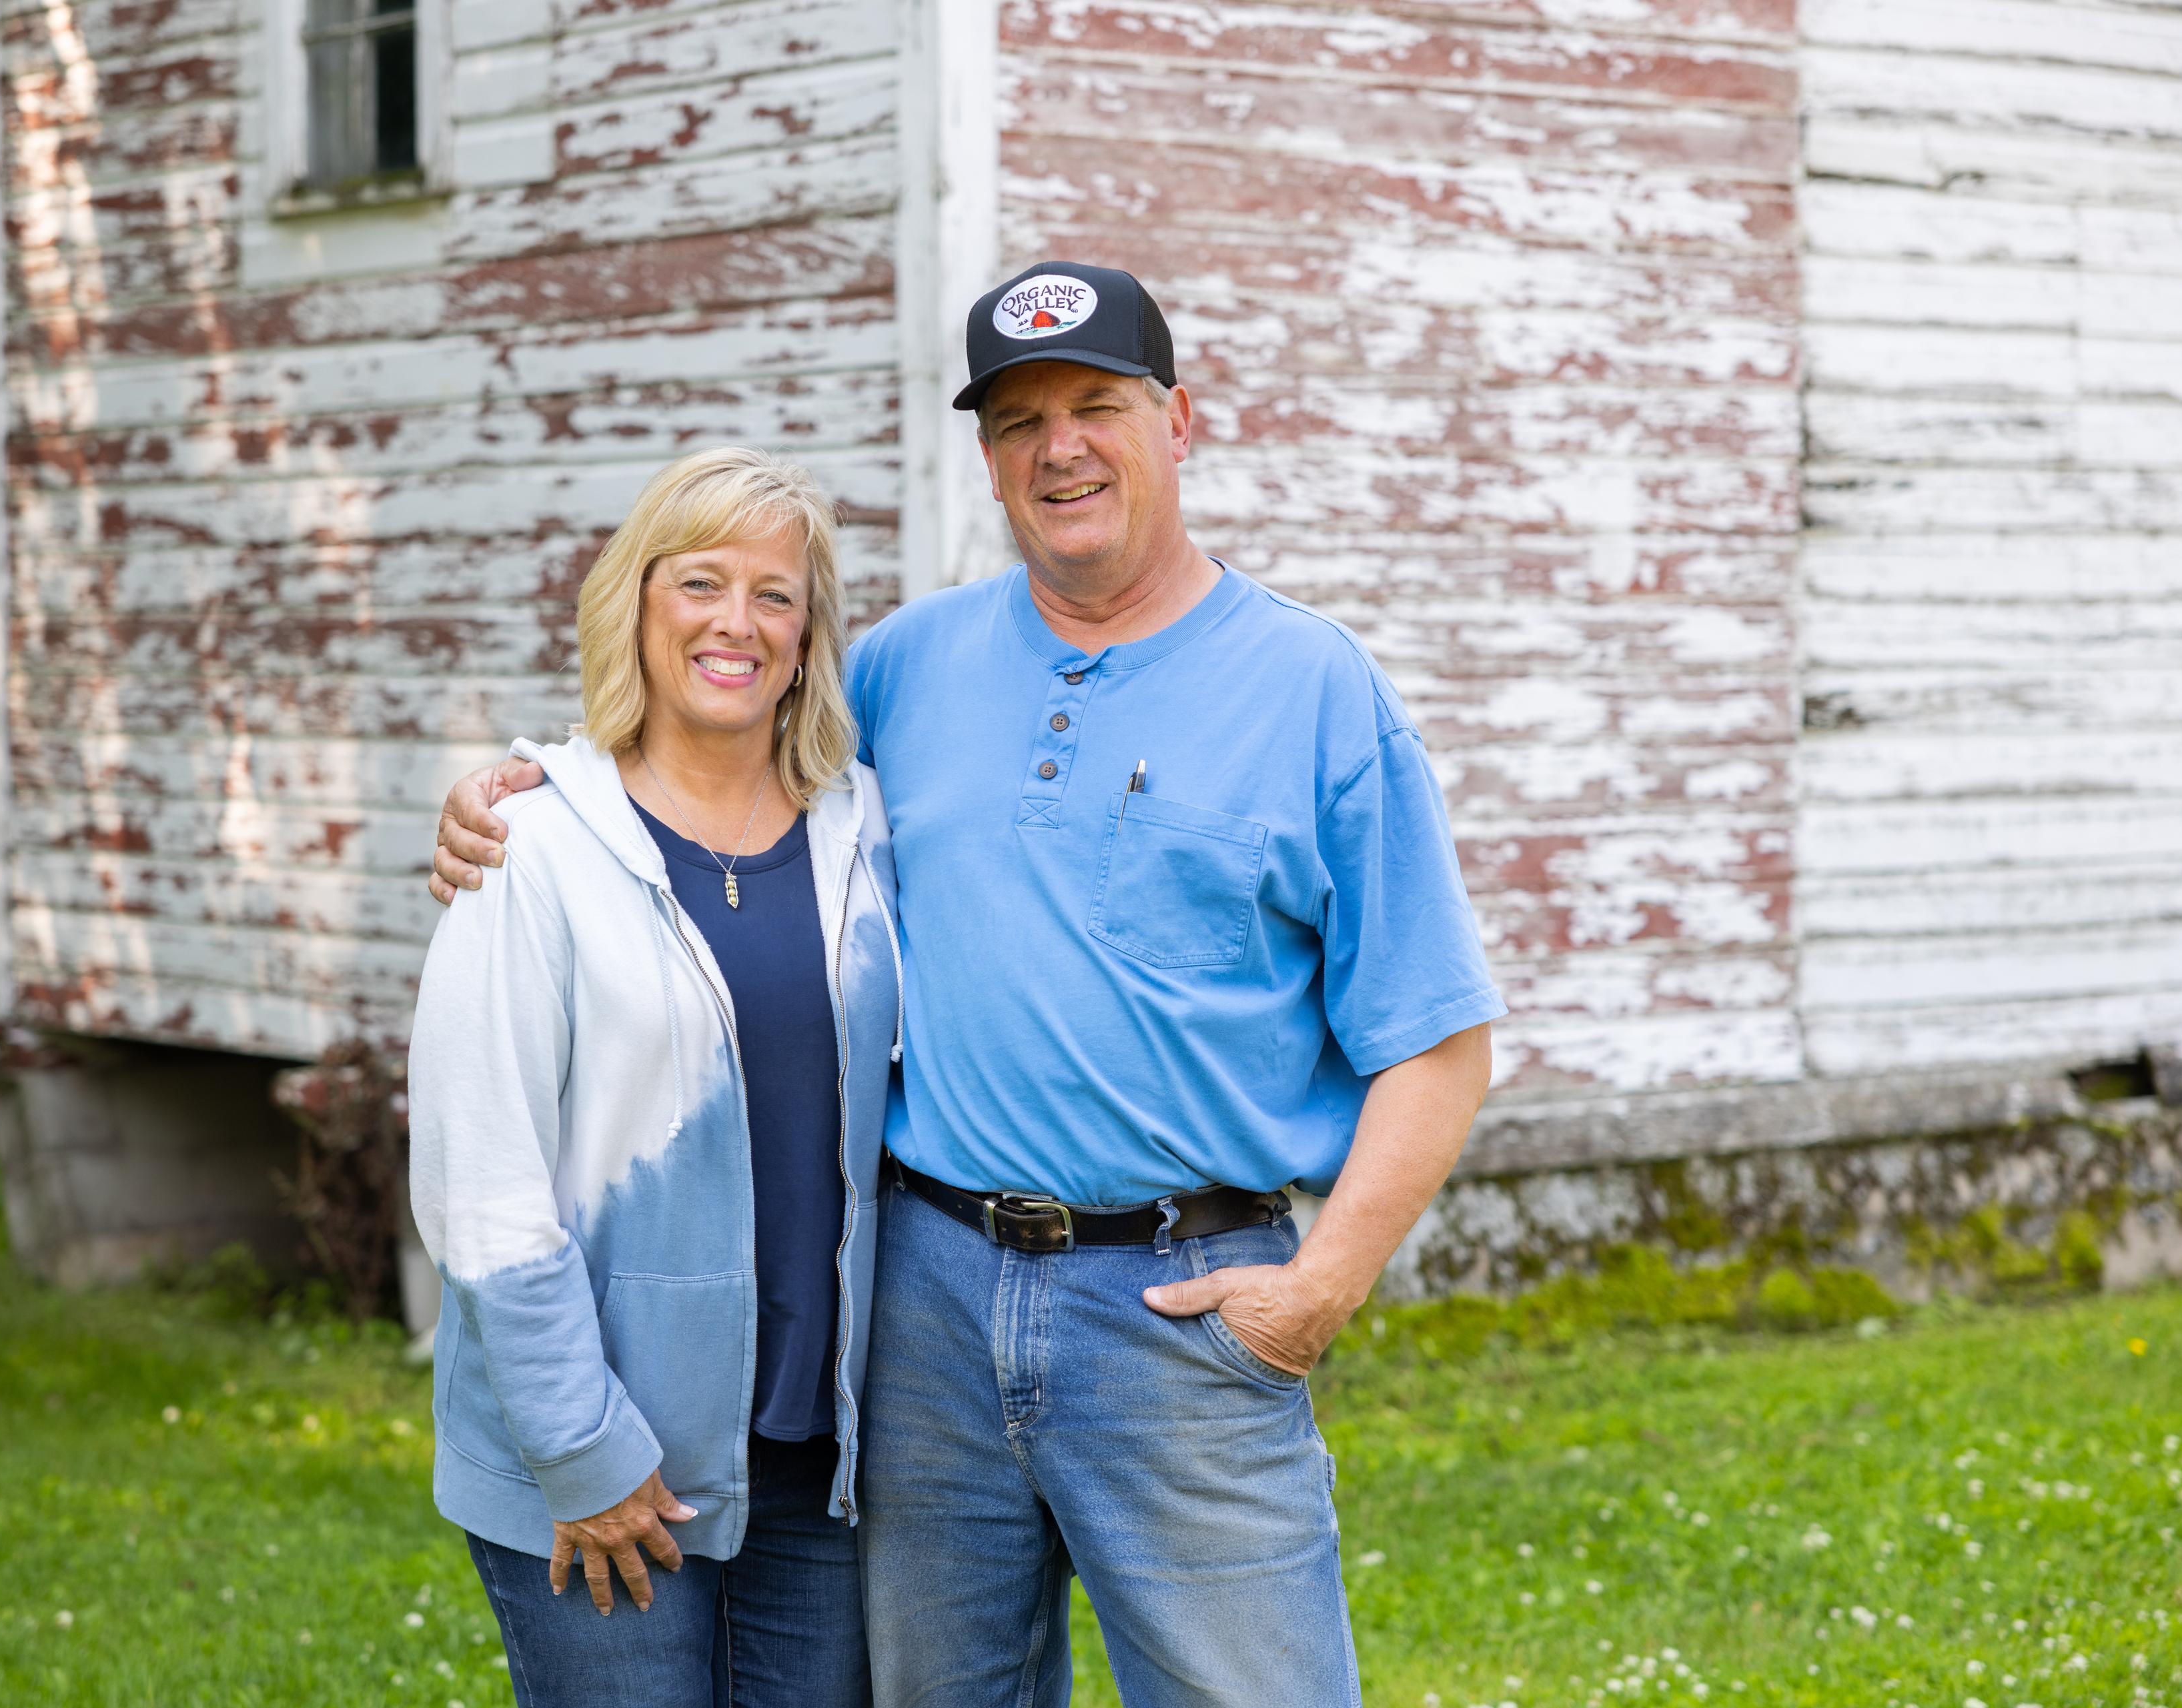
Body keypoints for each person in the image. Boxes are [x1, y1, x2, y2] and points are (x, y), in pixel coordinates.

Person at [429, 263, 1504, 1705]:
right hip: (921, 1308)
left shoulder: (1315, 688)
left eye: (1097, 407)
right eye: (1019, 419)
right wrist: (517, 789)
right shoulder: (908, 666)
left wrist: (1321, 1288)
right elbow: (718, 752)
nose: (1060, 446)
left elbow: (1437, 1042)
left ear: (1179, 422)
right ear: (990, 457)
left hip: (1182, 1303)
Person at [405, 446, 902, 1708]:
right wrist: (583, 1449)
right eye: (700, 583)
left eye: (776, 594)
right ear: (637, 602)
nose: (737, 622)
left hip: (815, 1457)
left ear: (808, 636)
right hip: (606, 1459)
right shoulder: (537, 845)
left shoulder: (865, 830)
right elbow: (482, 1174)